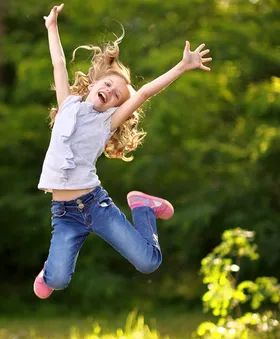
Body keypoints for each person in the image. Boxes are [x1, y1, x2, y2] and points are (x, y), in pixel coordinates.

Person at [34, 4, 212, 299]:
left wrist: (182, 66)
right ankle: (50, 269)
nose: (110, 92)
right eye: (107, 84)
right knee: (57, 282)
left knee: (149, 262)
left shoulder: (107, 122)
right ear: (93, 84)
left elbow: (144, 93)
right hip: (64, 214)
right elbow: (59, 65)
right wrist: (52, 26)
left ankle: (143, 206)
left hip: (95, 204)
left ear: (116, 108)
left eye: (116, 95)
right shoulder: (67, 104)